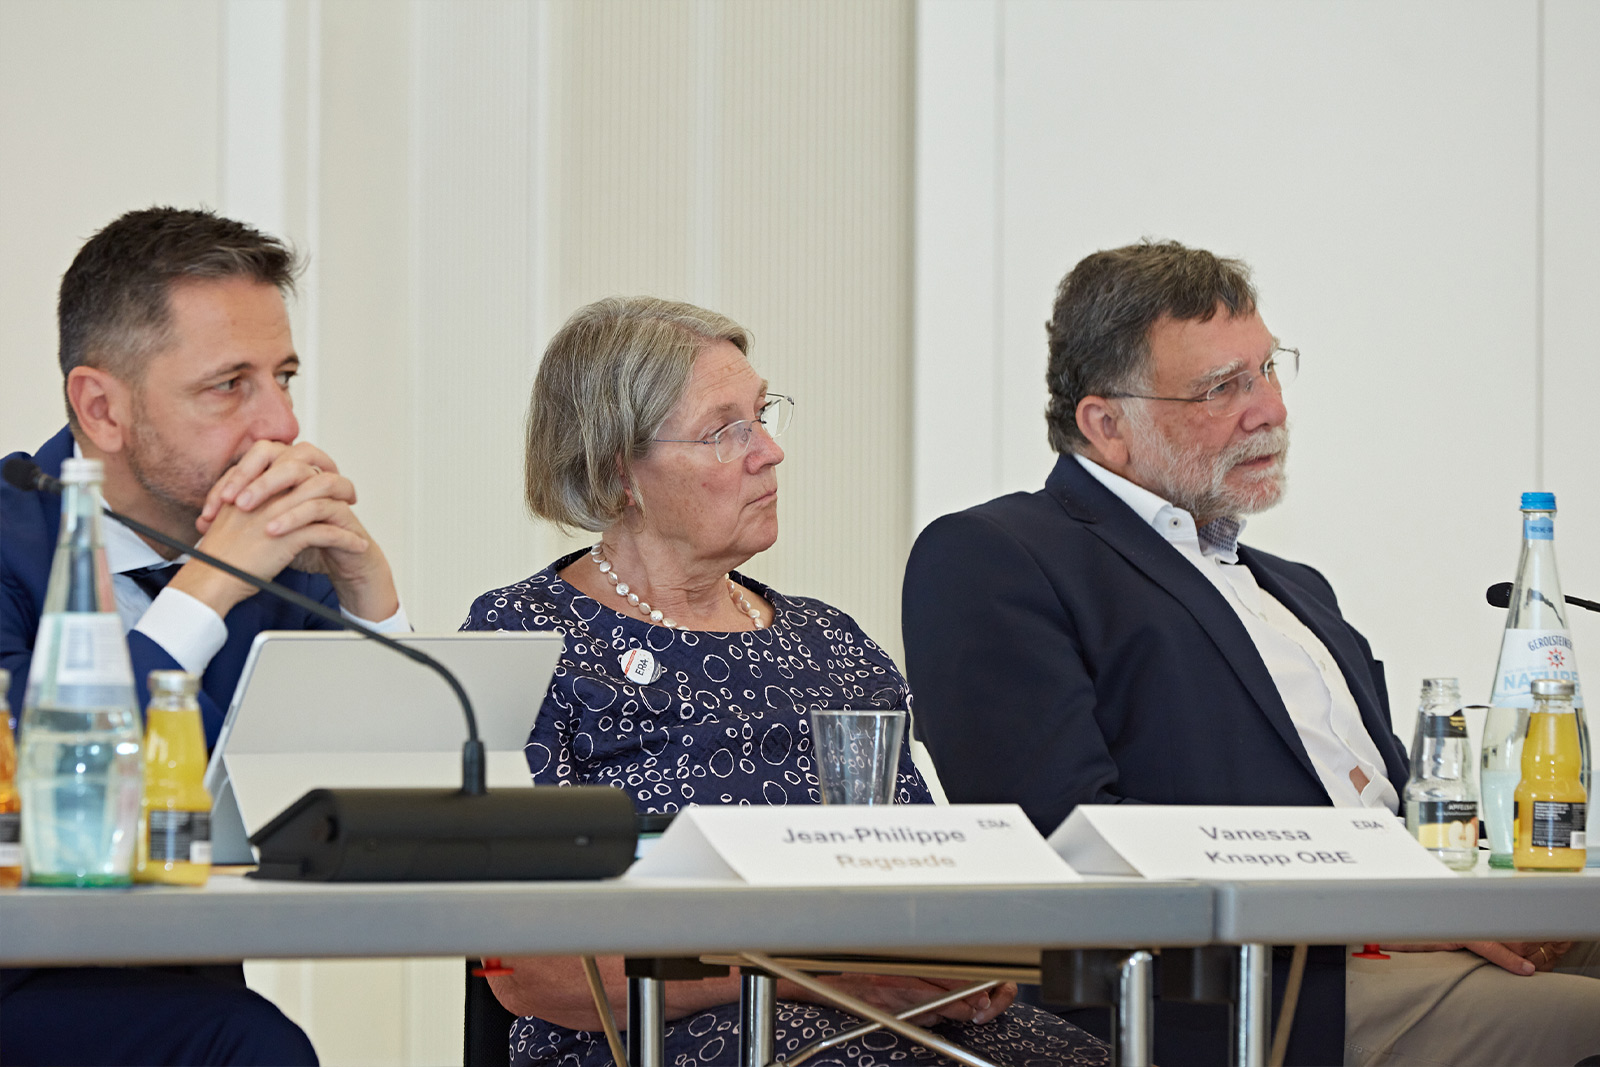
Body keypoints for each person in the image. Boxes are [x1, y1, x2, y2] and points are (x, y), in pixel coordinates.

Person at [901, 240, 1600, 1067]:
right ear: (1105, 424)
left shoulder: (1295, 587)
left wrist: (1482, 885)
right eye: (1223, 388)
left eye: (1267, 370)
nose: (1268, 409)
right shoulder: (998, 555)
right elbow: (1066, 842)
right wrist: (1394, 911)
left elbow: (1399, 799)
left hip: (1426, 922)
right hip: (1261, 986)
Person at [462, 296, 1110, 1067]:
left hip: (905, 1023)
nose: (768, 451)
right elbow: (528, 970)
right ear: (616, 468)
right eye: (724, 429)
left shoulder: (831, 641)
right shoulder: (526, 639)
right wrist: (814, 977)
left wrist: (968, 962)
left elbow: (933, 877)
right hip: (673, 1038)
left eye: (763, 414)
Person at [0, 206, 407, 1064]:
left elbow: (394, 812)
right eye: (231, 385)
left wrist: (370, 594)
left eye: (284, 377)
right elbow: (56, 803)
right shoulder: (11, 540)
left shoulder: (276, 550)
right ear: (101, 408)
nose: (282, 426)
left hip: (186, 988)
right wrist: (211, 584)